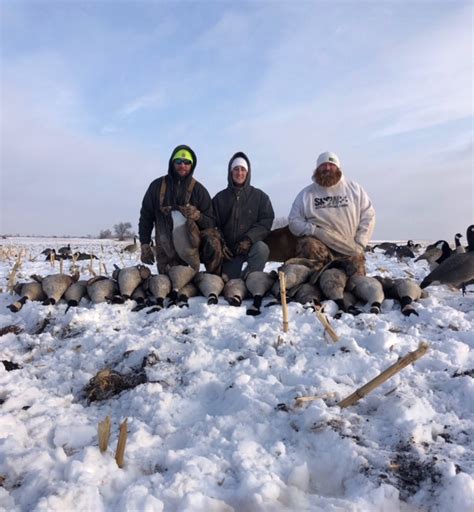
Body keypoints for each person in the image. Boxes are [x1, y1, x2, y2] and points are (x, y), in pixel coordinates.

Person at [288, 151, 375, 275]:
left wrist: (361, 241)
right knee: (308, 245)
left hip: (349, 246)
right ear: (317, 169)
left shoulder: (354, 189)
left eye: (331, 164)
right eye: (323, 165)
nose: (327, 168)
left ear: (338, 168)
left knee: (358, 280)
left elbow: (368, 215)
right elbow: (293, 221)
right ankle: (313, 282)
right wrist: (314, 230)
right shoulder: (306, 194)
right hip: (318, 248)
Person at [138, 145, 216, 273]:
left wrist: (198, 216)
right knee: (168, 285)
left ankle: (212, 275)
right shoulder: (156, 187)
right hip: (166, 253)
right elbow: (146, 217)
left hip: (191, 254)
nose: (182, 165)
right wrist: (145, 244)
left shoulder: (199, 190)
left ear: (192, 165)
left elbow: (211, 222)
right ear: (172, 163)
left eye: (187, 162)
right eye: (178, 161)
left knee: (214, 240)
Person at [212, 151, 275, 279]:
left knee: (262, 248)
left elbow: (266, 220)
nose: (239, 173)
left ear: (248, 172)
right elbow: (212, 223)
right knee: (228, 281)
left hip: (251, 247)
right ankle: (231, 278)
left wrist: (249, 239)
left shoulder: (260, 197)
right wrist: (221, 243)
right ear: (230, 172)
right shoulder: (219, 198)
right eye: (236, 169)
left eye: (242, 169)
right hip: (229, 250)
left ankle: (251, 278)